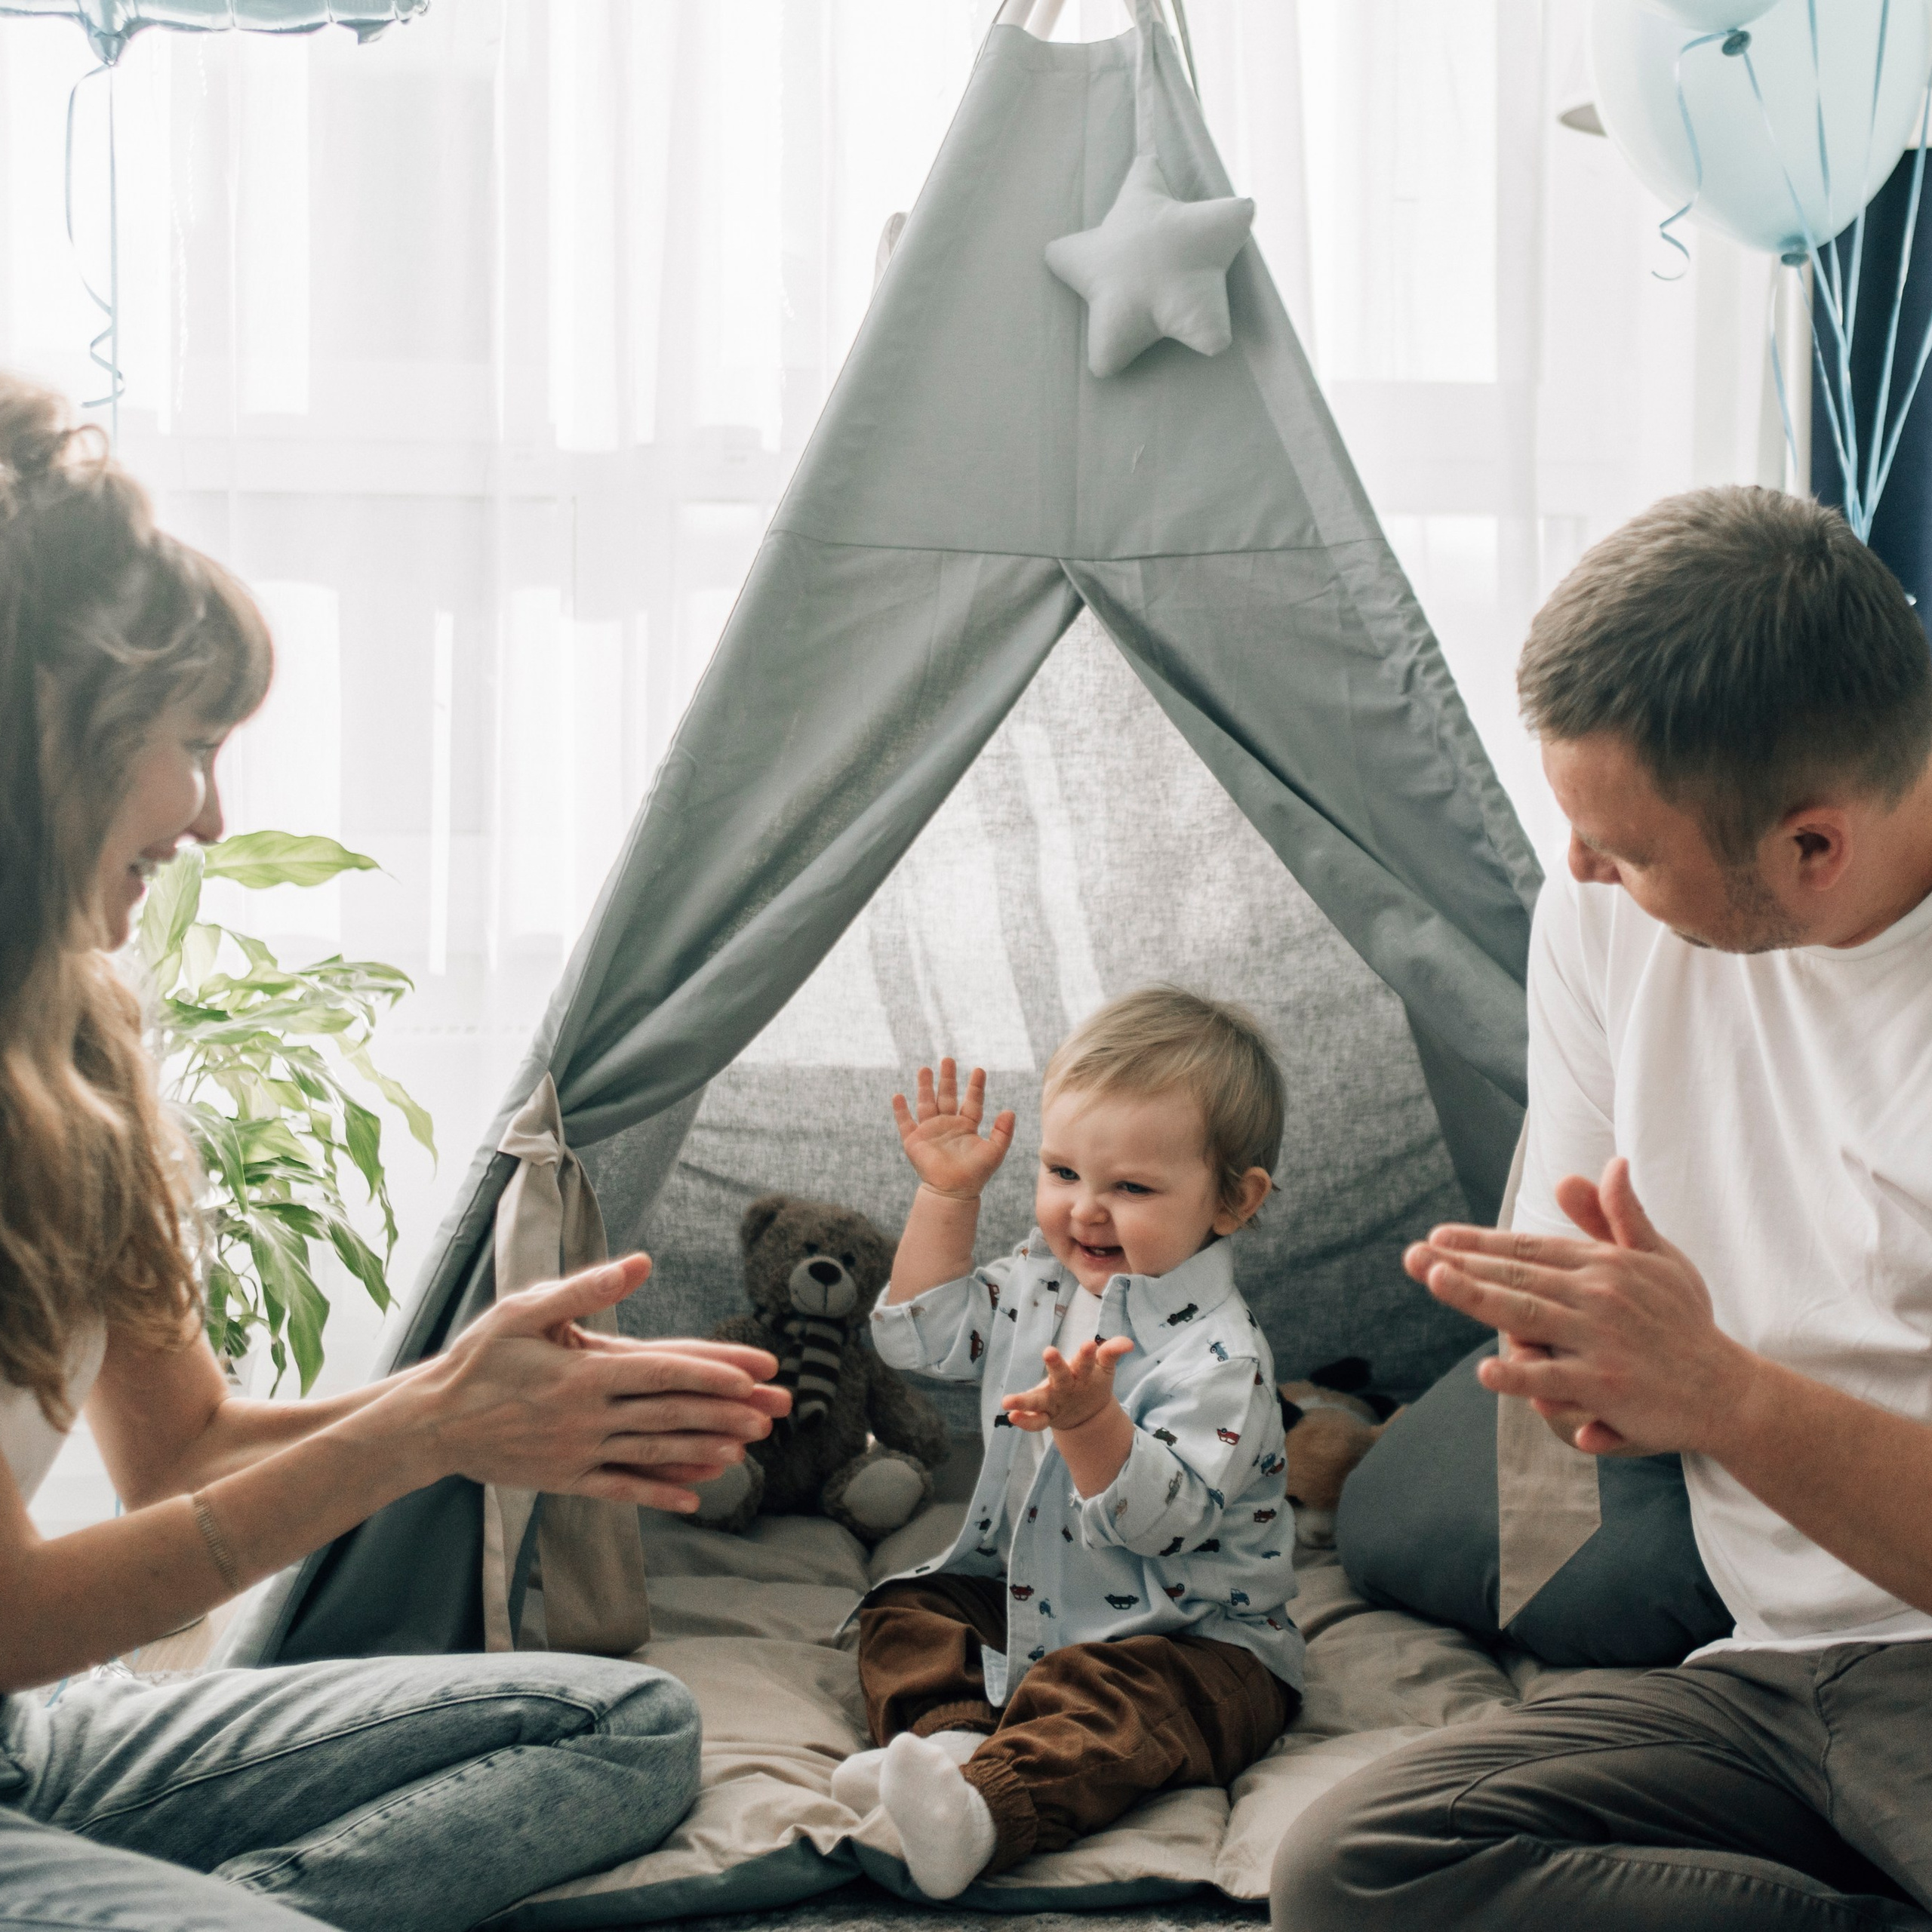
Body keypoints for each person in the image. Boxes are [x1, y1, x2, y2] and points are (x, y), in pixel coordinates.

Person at [0, 374, 791, 1931]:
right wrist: (424, 1428)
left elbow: (186, 1453)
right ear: (55, 747)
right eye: (191, 743)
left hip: (30, 1752)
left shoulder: (83, 1055)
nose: (213, 815)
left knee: (619, 1726)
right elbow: (16, 1611)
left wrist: (495, 1407)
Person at [1270, 485, 1932, 1930]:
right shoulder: (1605, 915)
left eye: (1625, 848)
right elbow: (1564, 1270)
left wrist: (1723, 1397)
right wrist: (1568, 1360)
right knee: (1348, 1867)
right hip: (1757, 1654)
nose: (1577, 872)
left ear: (1814, 847)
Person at [833, 989, 1302, 1900]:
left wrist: (1091, 1425)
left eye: (1130, 1187)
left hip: (1193, 1636)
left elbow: (1158, 1527)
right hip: (1031, 1597)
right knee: (910, 1610)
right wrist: (946, 1195)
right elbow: (918, 1339)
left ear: (1234, 1201)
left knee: (1127, 1706)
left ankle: (984, 1812)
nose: (1084, 1211)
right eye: (1060, 1171)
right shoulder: (1038, 1279)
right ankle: (950, 1747)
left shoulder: (1222, 1356)